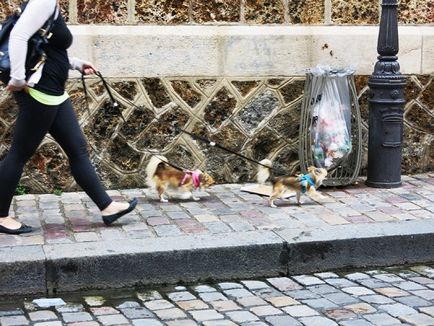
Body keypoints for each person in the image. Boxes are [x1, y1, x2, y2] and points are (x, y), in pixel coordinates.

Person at [0, 0, 137, 234]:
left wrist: (75, 63)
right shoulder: (43, 1)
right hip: (40, 92)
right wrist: (18, 78)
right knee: (19, 154)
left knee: (77, 149)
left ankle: (107, 207)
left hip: (54, 92)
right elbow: (19, 37)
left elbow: (47, 46)